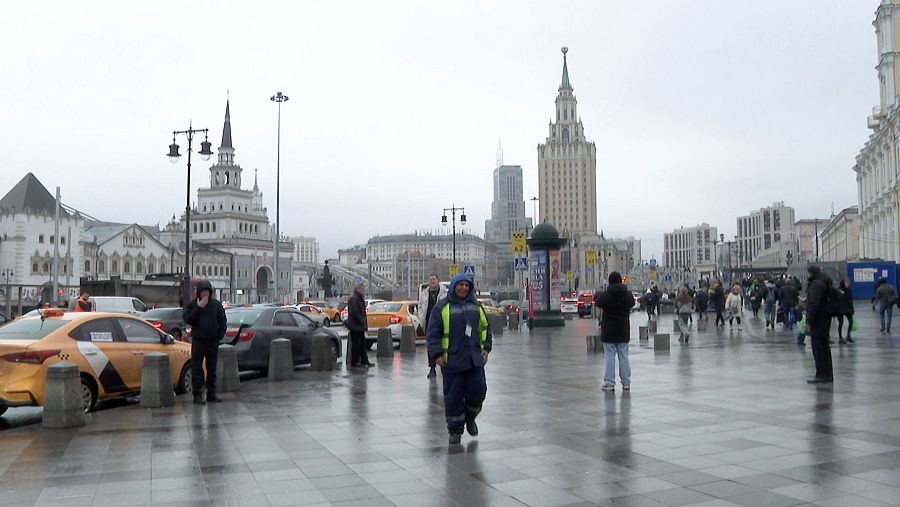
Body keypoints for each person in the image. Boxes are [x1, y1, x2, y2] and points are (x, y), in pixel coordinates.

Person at [426, 274, 492, 445]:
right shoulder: (442, 307)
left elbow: (485, 328)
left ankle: (470, 417)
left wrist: (486, 348)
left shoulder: (476, 306)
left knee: (478, 390)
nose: (463, 288)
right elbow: (433, 333)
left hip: (473, 360)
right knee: (453, 397)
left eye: (466, 285)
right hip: (452, 361)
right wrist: (437, 354)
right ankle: (455, 430)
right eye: (460, 285)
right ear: (454, 286)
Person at [183, 280, 226, 404]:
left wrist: (219, 336)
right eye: (203, 292)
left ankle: (211, 393)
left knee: (211, 368)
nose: (205, 294)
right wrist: (199, 308)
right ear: (199, 293)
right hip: (198, 341)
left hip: (212, 341)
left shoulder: (216, 305)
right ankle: (197, 395)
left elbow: (222, 321)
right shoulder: (193, 305)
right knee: (197, 368)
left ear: (210, 292)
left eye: (207, 291)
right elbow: (188, 319)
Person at [595, 272, 635, 391]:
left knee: (609, 357)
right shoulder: (627, 294)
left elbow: (598, 302)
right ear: (621, 281)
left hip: (609, 331)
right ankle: (626, 382)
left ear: (610, 281)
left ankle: (609, 383)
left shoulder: (606, 294)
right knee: (624, 356)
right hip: (623, 329)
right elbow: (632, 304)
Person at [804, 265, 834, 384]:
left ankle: (821, 374)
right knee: (825, 347)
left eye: (807, 273)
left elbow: (814, 304)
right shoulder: (824, 282)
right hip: (825, 318)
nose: (806, 275)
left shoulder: (816, 284)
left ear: (811, 273)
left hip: (818, 320)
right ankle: (827, 374)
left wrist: (809, 321)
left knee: (818, 348)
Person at [418, 273, 448, 379]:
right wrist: (422, 319)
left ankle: (445, 364)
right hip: (429, 323)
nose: (432, 282)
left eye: (434, 279)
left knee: (444, 344)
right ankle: (432, 368)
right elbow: (420, 306)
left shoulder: (445, 293)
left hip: (443, 323)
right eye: (430, 280)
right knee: (431, 346)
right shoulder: (424, 294)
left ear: (438, 280)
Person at [346, 283, 372, 368]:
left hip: (359, 326)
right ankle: (355, 362)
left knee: (362, 344)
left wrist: (365, 324)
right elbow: (354, 312)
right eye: (363, 290)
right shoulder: (354, 299)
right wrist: (361, 320)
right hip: (355, 326)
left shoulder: (359, 299)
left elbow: (363, 312)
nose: (364, 292)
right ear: (358, 290)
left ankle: (364, 361)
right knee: (356, 345)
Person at [836, 278, 854, 344]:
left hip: (847, 309)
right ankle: (840, 337)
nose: (848, 284)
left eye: (848, 283)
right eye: (846, 283)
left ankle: (848, 336)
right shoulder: (839, 290)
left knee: (851, 321)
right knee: (841, 323)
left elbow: (850, 300)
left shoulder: (849, 290)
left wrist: (852, 309)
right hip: (840, 309)